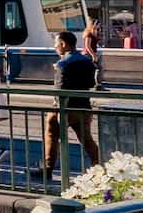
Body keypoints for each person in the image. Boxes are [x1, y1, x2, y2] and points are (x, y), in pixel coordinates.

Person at [36, 31, 101, 179]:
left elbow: (60, 90)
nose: (55, 47)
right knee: (87, 140)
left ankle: (47, 168)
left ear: (63, 44)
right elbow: (91, 83)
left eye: (56, 44)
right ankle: (99, 168)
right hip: (83, 106)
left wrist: (58, 108)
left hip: (66, 108)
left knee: (51, 133)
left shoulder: (62, 64)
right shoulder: (87, 61)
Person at [83, 23, 105, 90]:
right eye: (97, 26)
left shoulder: (93, 34)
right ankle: (97, 84)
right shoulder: (89, 35)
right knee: (97, 68)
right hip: (89, 54)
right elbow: (87, 46)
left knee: (97, 69)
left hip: (93, 53)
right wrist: (93, 55)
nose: (98, 28)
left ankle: (97, 84)